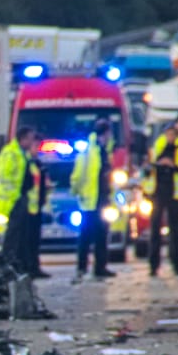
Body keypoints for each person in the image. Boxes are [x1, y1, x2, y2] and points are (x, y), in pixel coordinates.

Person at [144, 118, 178, 277]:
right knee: (155, 232)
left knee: (176, 231)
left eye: (173, 134)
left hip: (175, 195)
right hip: (158, 194)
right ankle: (153, 265)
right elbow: (147, 171)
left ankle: (177, 263)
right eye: (168, 134)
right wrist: (158, 166)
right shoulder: (156, 150)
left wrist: (173, 167)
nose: (171, 137)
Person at [0, 127, 45, 277]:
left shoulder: (22, 155)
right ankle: (8, 267)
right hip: (13, 200)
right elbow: (7, 178)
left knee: (21, 237)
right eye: (30, 139)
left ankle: (19, 267)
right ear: (23, 139)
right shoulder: (11, 153)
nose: (32, 143)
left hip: (21, 200)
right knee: (13, 237)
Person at [71, 120, 116, 280]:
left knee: (102, 234)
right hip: (90, 201)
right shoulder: (89, 151)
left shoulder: (104, 151)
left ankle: (100, 267)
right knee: (86, 236)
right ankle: (82, 267)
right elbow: (78, 175)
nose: (111, 137)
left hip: (102, 199)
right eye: (109, 133)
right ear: (103, 134)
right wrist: (78, 193)